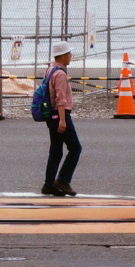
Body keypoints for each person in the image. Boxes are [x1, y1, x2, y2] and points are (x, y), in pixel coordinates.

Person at [40, 42, 82, 197]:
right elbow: (61, 99)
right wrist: (63, 120)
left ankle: (49, 184)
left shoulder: (50, 69)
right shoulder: (61, 74)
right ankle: (63, 180)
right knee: (75, 148)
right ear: (63, 56)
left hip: (50, 115)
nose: (71, 56)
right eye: (69, 53)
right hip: (60, 114)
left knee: (56, 150)